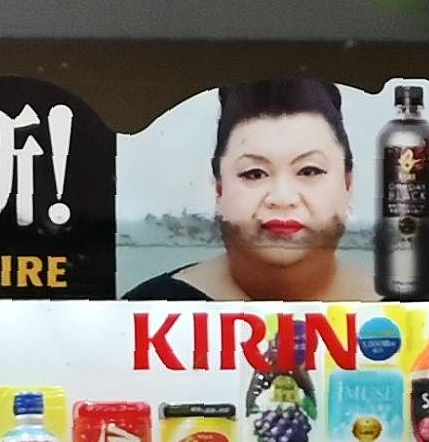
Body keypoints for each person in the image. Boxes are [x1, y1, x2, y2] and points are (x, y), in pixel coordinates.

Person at [130, 82, 357, 305]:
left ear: (347, 184)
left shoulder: (390, 310)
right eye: (255, 174)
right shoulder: (147, 310)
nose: (282, 199)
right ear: (219, 188)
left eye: (309, 171)